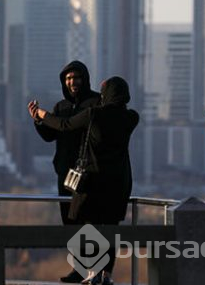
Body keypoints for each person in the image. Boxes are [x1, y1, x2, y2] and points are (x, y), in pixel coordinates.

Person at [30, 77, 139, 285]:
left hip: (94, 180)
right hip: (119, 181)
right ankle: (106, 275)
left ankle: (93, 272)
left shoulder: (94, 114)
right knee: (111, 228)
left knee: (91, 226)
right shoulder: (132, 117)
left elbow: (64, 125)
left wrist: (42, 115)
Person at [31, 61, 101, 283]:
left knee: (89, 222)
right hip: (65, 174)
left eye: (76, 77)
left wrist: (46, 117)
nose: (72, 82)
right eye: (68, 79)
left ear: (85, 79)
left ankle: (94, 271)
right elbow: (51, 135)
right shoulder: (61, 107)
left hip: (89, 174)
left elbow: (66, 126)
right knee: (70, 223)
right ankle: (79, 270)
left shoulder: (96, 103)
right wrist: (38, 120)